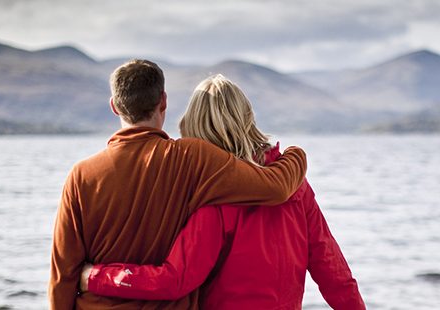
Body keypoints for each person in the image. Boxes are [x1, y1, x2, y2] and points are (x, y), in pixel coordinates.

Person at [79, 75, 365, 310]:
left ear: (195, 126)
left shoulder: (215, 199)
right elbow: (333, 272)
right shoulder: (295, 184)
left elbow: (174, 280)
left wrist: (95, 277)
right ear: (248, 118)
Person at [49, 60, 309, 309]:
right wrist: (296, 153)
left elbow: (63, 274)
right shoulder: (193, 158)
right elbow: (276, 187)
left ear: (114, 106)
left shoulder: (81, 175)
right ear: (163, 101)